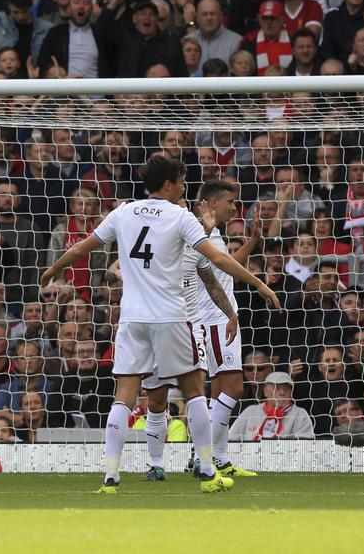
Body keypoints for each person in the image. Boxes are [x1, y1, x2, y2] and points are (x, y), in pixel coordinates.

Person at [39, 155, 281, 494]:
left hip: (132, 319)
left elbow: (82, 247)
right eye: (181, 181)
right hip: (170, 318)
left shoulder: (123, 212)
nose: (184, 187)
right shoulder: (180, 217)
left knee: (123, 396)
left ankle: (110, 477)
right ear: (168, 184)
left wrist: (53, 269)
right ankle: (207, 470)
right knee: (194, 392)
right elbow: (217, 259)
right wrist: (259, 283)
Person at [142, 180, 261, 481]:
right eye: (230, 202)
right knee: (232, 388)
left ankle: (216, 457)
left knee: (218, 393)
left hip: (219, 317)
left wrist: (253, 241)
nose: (234, 207)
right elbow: (214, 267)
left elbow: (226, 266)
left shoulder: (213, 234)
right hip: (211, 319)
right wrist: (259, 285)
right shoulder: (195, 232)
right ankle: (202, 456)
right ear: (211, 203)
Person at [230, 372, 315, 441]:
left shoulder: (300, 414)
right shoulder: (250, 411)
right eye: (277, 388)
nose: (282, 392)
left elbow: (306, 447)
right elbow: (230, 439)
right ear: (266, 391)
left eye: (286, 389)